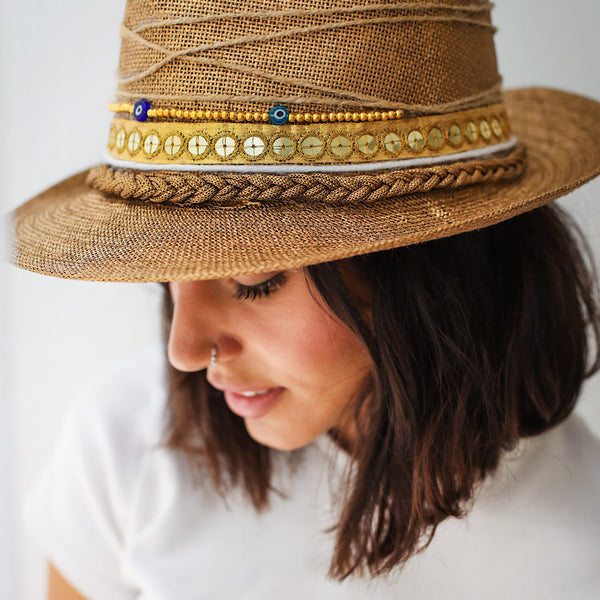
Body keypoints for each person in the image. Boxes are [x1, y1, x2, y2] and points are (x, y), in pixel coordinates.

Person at [9, 0, 600, 598]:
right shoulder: (123, 446)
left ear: (424, 269)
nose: (184, 351)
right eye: (168, 275)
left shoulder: (581, 542)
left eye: (253, 281)